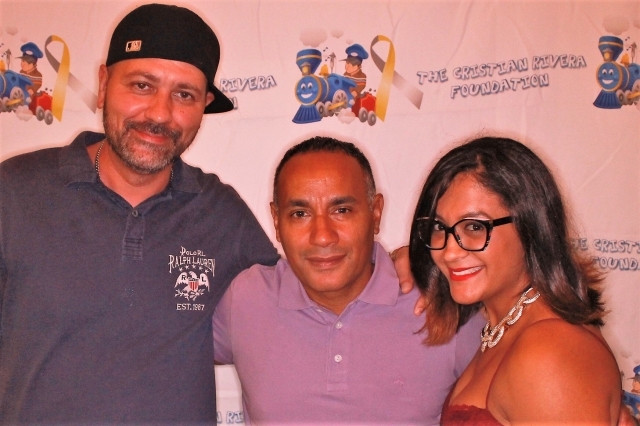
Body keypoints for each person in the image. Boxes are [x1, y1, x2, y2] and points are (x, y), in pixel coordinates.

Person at [0, 4, 280, 424]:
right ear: (104, 84)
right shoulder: (14, 192)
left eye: (184, 95)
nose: (160, 114)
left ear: (204, 104)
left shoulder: (221, 212)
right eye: (142, 85)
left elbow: (300, 306)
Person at [213, 136, 484, 425]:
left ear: (375, 213)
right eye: (300, 214)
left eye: (341, 211)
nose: (322, 236)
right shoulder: (245, 300)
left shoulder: (441, 303)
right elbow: (177, 354)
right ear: (277, 221)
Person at [408, 136, 622, 424]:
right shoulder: (509, 327)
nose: (449, 252)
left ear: (530, 225)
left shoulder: (549, 352)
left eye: (474, 227)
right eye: (438, 227)